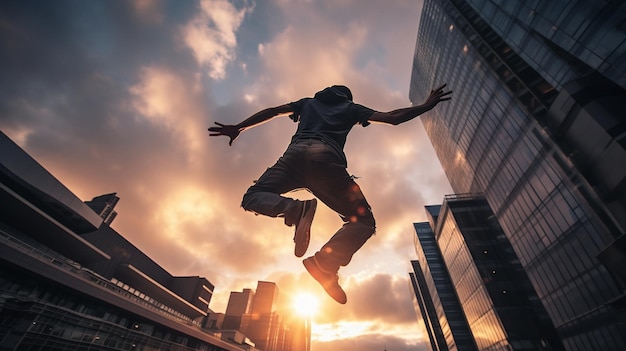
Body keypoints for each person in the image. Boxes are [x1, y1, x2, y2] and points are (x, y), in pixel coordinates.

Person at [208, 84, 451, 304]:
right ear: (346, 97)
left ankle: (294, 209)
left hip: (293, 156)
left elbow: (272, 111)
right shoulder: (351, 107)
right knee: (364, 221)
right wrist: (425, 106)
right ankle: (326, 261)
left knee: (253, 196)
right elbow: (392, 118)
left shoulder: (307, 103)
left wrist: (239, 126)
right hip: (326, 159)